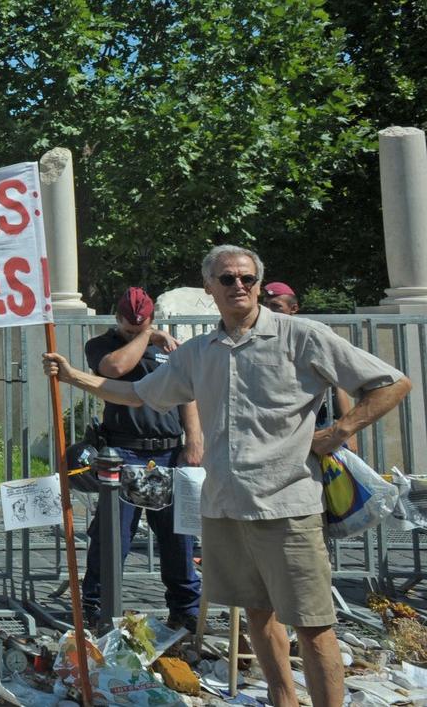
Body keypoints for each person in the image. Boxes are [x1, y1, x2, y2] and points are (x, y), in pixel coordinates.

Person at [43, 245, 412, 707]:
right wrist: (74, 377)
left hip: (288, 505)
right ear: (209, 288)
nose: (239, 285)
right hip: (225, 506)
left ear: (258, 284)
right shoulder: (199, 352)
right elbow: (138, 392)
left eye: (248, 278)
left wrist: (338, 431)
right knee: (258, 616)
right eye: (227, 279)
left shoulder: (303, 336)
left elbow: (392, 382)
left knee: (314, 626)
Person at [79, 287, 202, 628]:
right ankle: (97, 604)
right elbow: (115, 369)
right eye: (130, 328)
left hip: (167, 450)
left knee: (178, 537)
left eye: (142, 325)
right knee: (112, 536)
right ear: (117, 319)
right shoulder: (102, 344)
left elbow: (186, 394)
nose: (135, 331)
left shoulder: (169, 349)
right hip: (123, 449)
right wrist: (146, 335)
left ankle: (185, 609)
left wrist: (194, 439)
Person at [265, 282, 357, 446]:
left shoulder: (309, 336)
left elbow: (338, 386)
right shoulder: (260, 338)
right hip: (273, 422)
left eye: (275, 306)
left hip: (314, 420)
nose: (269, 312)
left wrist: (348, 432)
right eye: (266, 306)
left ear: (293, 309)